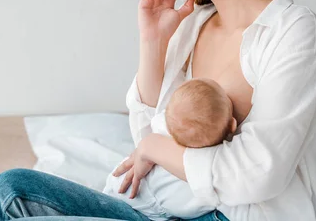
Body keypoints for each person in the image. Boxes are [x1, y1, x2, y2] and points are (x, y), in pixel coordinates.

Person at [0, 0, 316, 221]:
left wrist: (155, 149)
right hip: (155, 209)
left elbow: (259, 172)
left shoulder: (292, 28)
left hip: (230, 213)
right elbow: (147, 132)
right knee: (9, 189)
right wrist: (153, 41)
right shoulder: (193, 26)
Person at [102, 78, 238, 220]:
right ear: (232, 125)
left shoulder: (164, 123)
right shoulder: (199, 180)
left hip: (122, 184)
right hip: (140, 199)